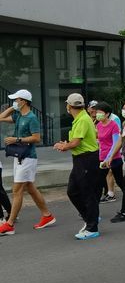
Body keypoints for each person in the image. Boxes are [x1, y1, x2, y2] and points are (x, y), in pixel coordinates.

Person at [0, 89, 55, 236]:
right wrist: (13, 108)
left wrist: (16, 139)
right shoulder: (18, 115)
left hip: (28, 157)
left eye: (16, 100)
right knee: (30, 188)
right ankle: (47, 215)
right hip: (19, 157)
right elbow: (0, 117)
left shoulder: (32, 118)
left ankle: (9, 224)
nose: (15, 102)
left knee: (17, 190)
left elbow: (37, 138)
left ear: (23, 101)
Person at [53, 93, 102, 240]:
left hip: (86, 159)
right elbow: (75, 141)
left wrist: (64, 146)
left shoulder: (82, 119)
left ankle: (92, 227)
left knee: (87, 194)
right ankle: (90, 218)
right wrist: (66, 144)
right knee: (73, 191)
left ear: (69, 106)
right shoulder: (81, 118)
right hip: (81, 159)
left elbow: (75, 143)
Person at [95, 102, 120, 203]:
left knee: (119, 180)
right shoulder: (99, 125)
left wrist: (108, 158)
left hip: (113, 157)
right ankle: (92, 206)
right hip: (102, 155)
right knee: (100, 179)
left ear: (107, 114)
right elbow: (99, 140)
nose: (97, 114)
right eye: (97, 112)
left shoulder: (114, 124)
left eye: (100, 112)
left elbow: (115, 143)